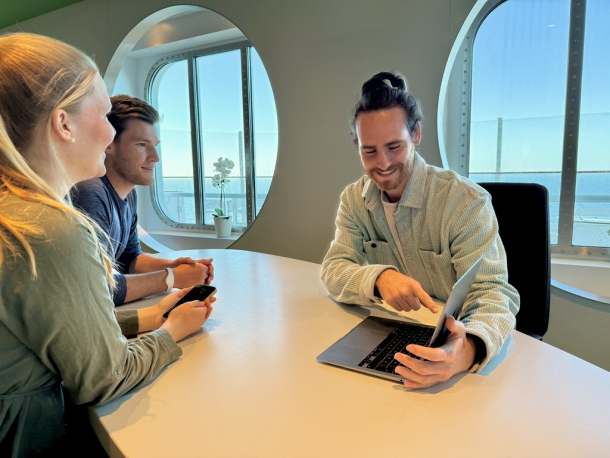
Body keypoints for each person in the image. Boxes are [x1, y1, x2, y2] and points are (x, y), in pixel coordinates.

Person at [0, 33, 215, 456]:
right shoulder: (50, 228)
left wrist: (147, 317)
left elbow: (54, 328)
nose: (109, 131)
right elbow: (104, 378)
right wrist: (172, 330)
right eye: (103, 114)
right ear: (64, 124)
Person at [321, 71, 519, 389]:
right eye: (369, 151)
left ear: (416, 135)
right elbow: (334, 268)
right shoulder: (354, 200)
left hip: (456, 346)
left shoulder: (465, 202)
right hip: (399, 334)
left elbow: (493, 292)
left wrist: (466, 351)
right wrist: (379, 278)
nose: (383, 163)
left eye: (394, 146)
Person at [72, 95, 214, 306]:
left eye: (154, 145)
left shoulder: (128, 194)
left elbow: (129, 259)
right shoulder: (89, 193)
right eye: (141, 144)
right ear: (108, 144)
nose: (155, 157)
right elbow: (97, 288)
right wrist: (171, 279)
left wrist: (173, 266)